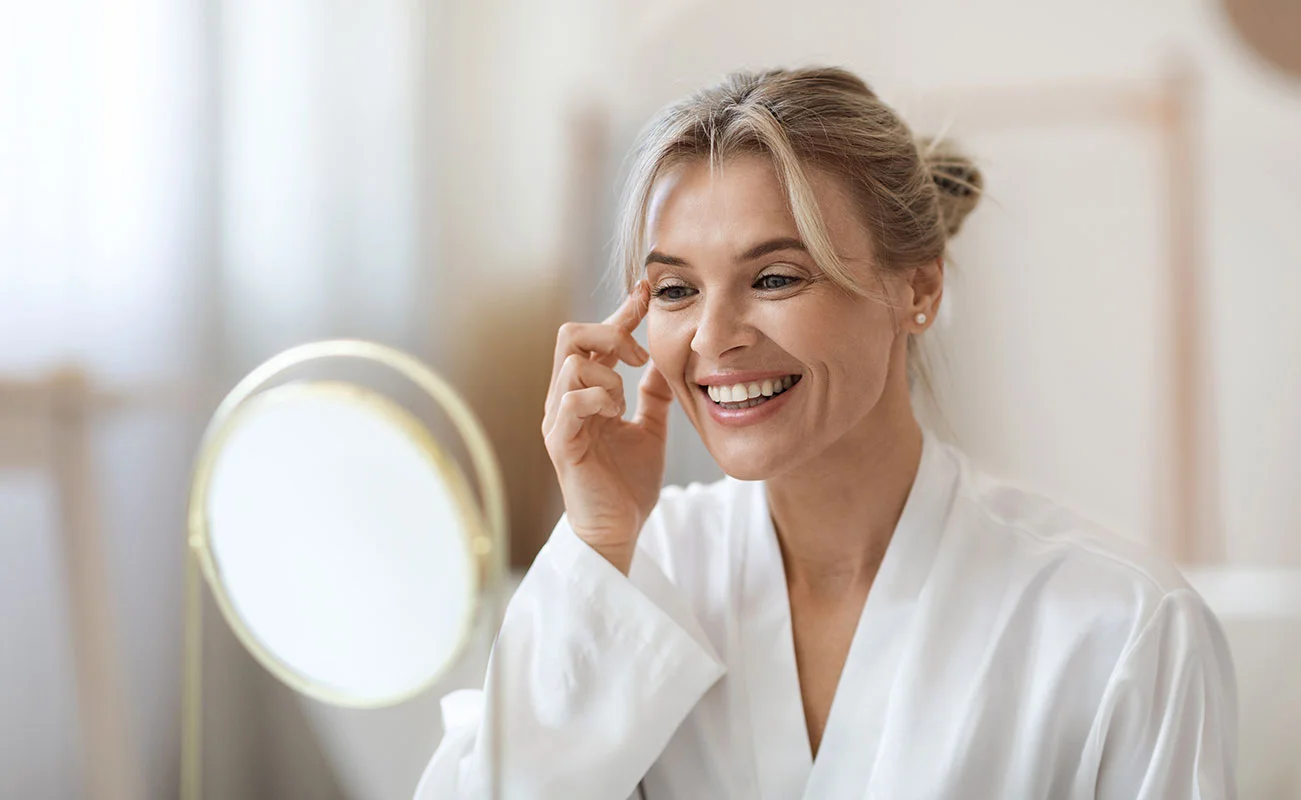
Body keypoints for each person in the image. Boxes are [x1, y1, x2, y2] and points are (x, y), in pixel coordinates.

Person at [415, 66, 1237, 799]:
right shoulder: (631, 578)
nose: (712, 337)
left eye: (774, 277)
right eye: (673, 290)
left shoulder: (1120, 625)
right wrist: (596, 540)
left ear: (917, 290)